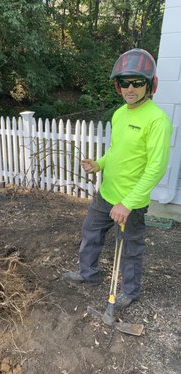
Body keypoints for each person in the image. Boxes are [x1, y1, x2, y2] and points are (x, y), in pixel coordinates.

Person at [63, 48, 173, 310]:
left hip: (130, 203)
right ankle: (87, 273)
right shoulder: (120, 113)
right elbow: (116, 150)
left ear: (150, 84)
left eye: (137, 82)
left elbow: (156, 168)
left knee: (130, 249)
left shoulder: (158, 121)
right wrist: (98, 164)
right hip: (106, 194)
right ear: (117, 86)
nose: (130, 88)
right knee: (90, 233)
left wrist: (128, 203)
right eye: (125, 82)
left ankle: (130, 292)